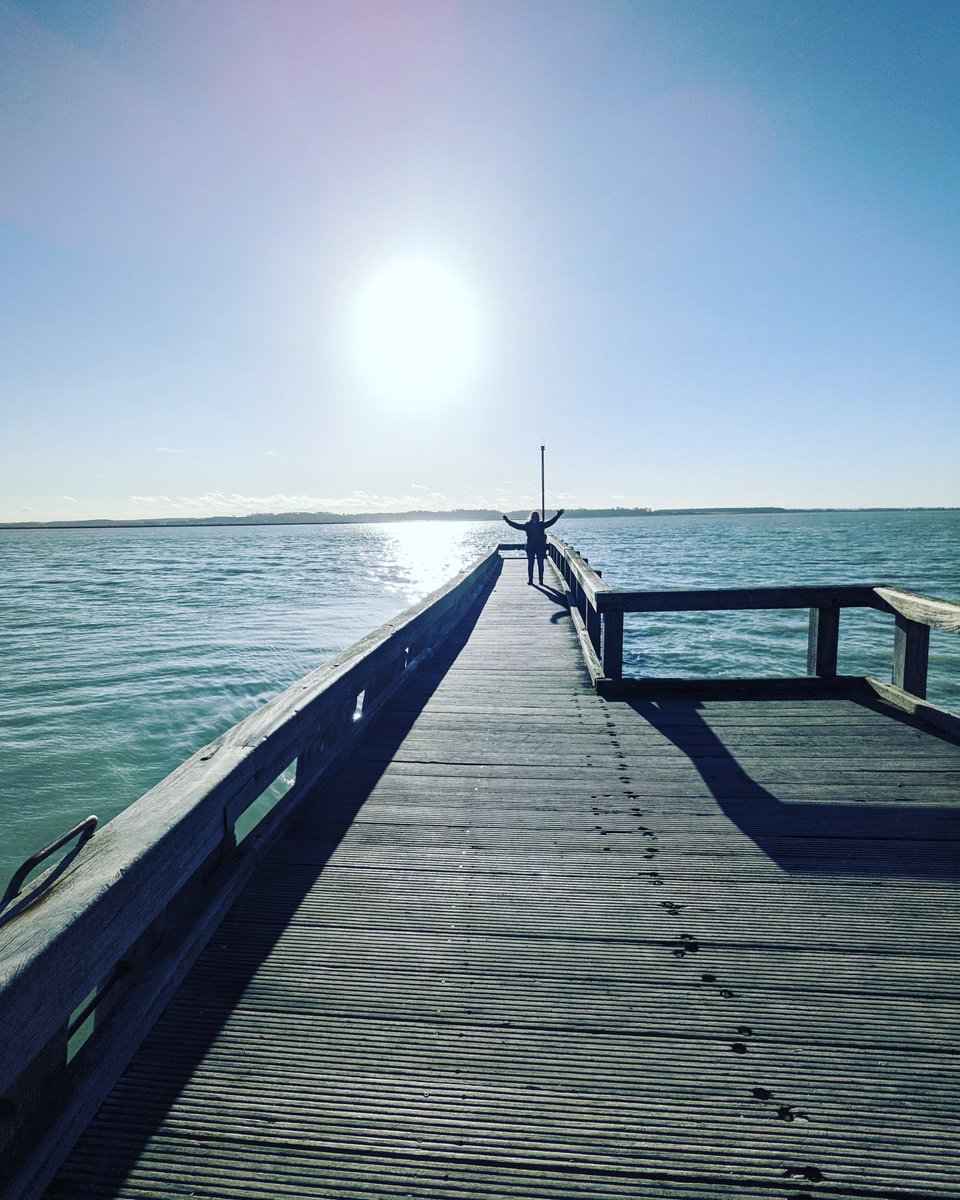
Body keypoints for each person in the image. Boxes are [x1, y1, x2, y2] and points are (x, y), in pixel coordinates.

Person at [502, 508, 565, 585]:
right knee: (530, 564)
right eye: (533, 517)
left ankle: (541, 580)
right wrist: (508, 521)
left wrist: (558, 515)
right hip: (530, 548)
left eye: (536, 517)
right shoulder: (527, 526)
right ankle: (530, 580)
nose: (535, 518)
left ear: (538, 518)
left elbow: (551, 522)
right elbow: (517, 526)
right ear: (531, 518)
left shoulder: (541, 525)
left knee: (540, 564)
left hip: (540, 548)